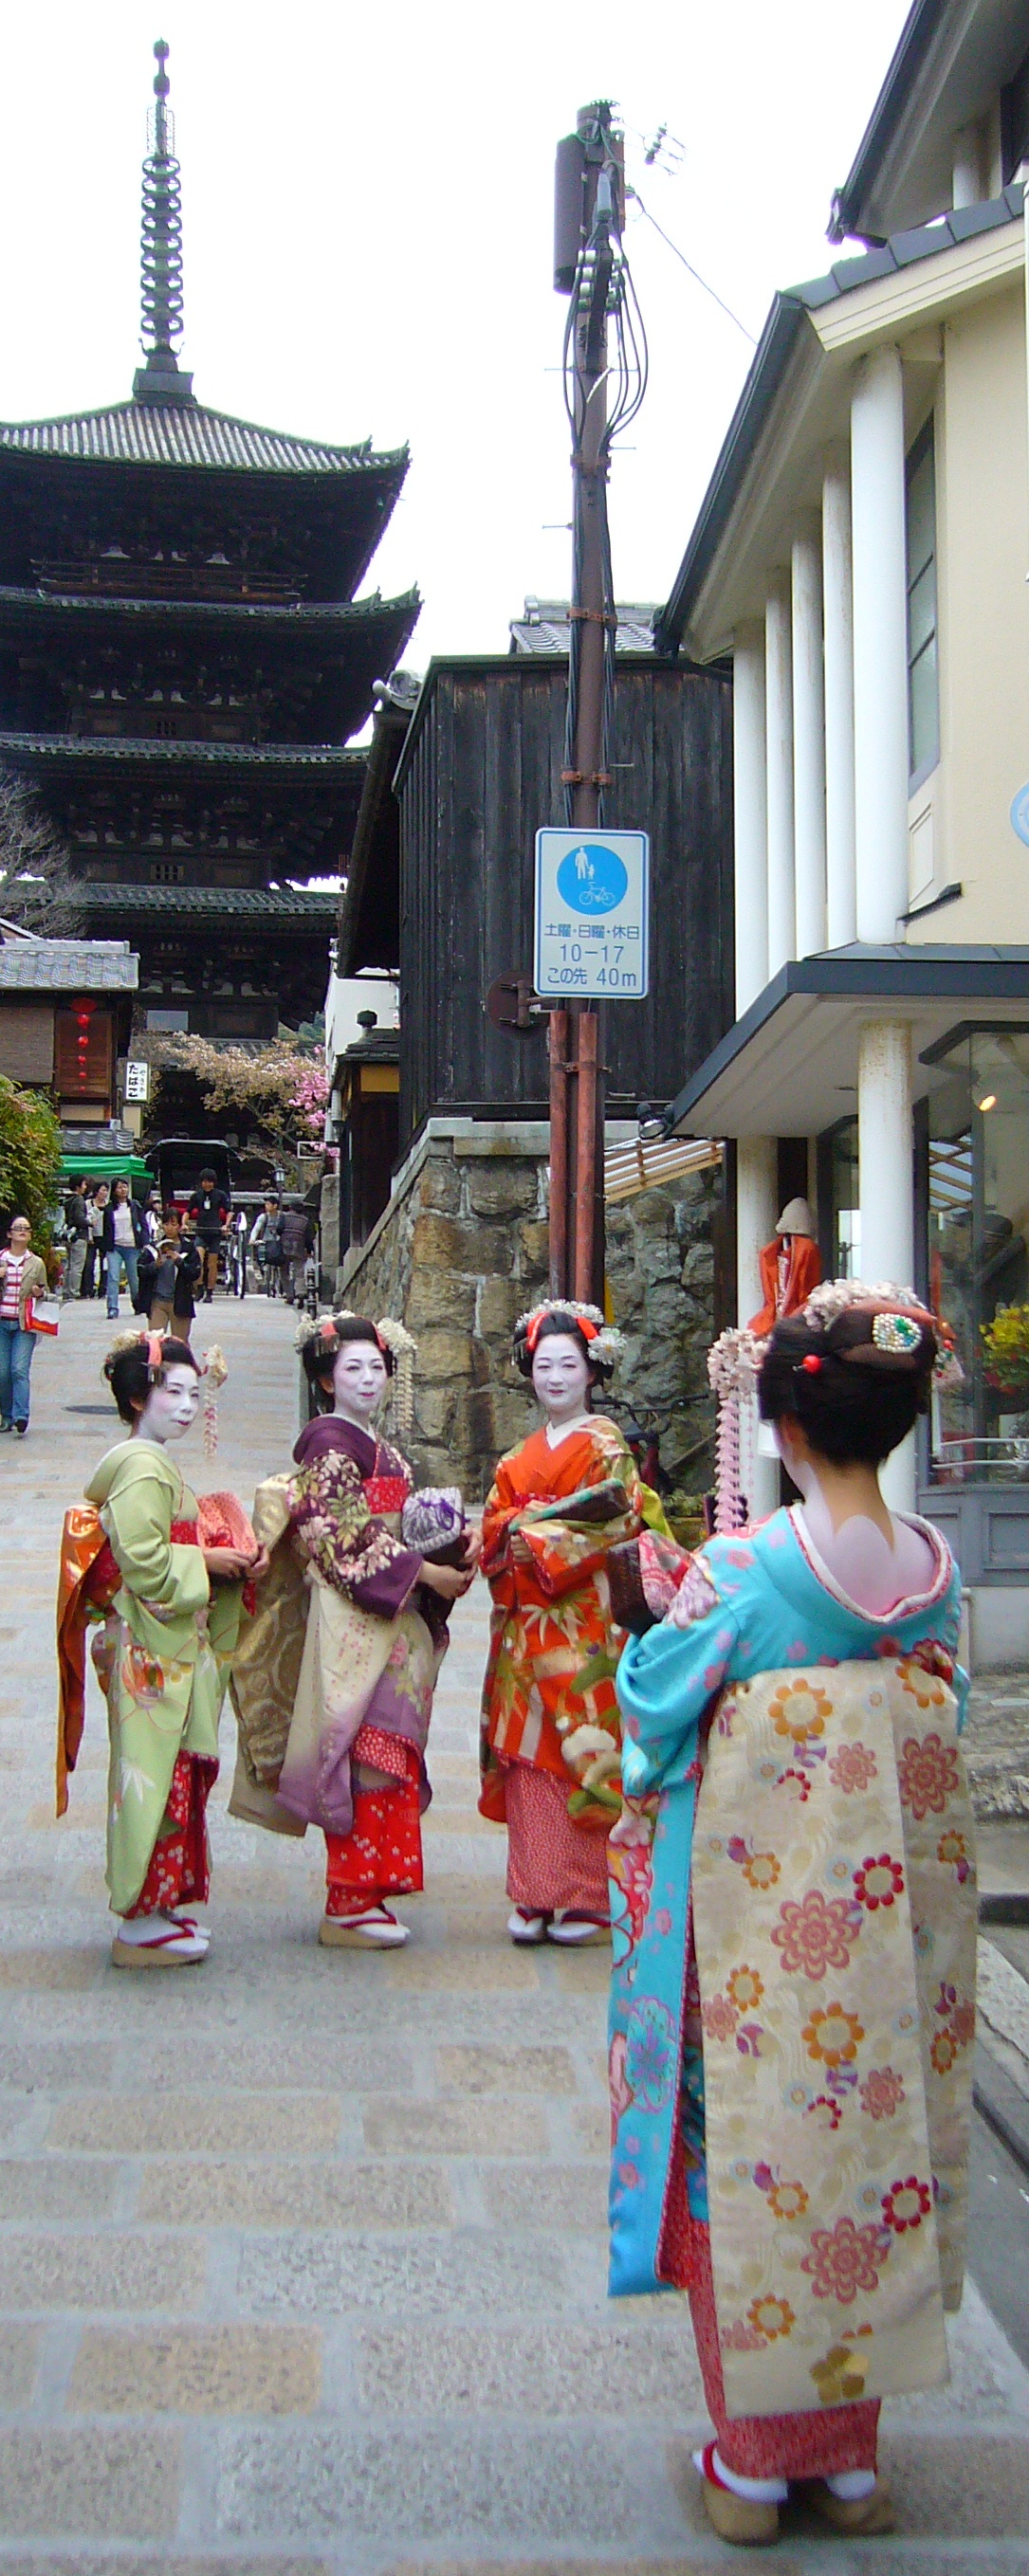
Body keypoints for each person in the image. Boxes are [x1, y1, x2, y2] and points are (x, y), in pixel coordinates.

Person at [608, 1285, 976, 2547]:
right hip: (884, 1934)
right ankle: (850, 2463)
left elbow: (657, 1702)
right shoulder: (932, 1573)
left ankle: (755, 2465)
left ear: (790, 1428)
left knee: (753, 2154)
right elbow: (941, 1707)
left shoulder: (745, 1570)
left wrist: (657, 1618)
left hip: (761, 1934)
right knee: (872, 2150)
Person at [230, 1310, 476, 1948]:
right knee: (365, 1752)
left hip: (394, 1620)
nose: (368, 1379)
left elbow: (403, 1523)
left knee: (388, 1749)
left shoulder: (376, 1446)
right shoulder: (328, 1447)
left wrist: (449, 1547)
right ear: (326, 1380)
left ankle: (371, 1891)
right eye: (352, 1368)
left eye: (376, 1367)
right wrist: (424, 1571)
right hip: (356, 1621)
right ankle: (348, 1899)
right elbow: (342, 1538)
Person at [56, 1331, 263, 1967]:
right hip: (151, 1648)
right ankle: (140, 1919)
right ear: (138, 1396)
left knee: (171, 1772)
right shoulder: (141, 1466)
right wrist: (209, 1558)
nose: (186, 1406)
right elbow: (144, 1562)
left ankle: (162, 1904)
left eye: (194, 1394)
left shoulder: (148, 1461)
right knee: (154, 1775)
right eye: (173, 1392)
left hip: (163, 1642)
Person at [479, 1300, 646, 1946]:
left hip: (584, 1622)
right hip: (525, 1623)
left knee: (582, 1749)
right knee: (529, 1753)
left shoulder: (606, 1446)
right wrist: (510, 1531)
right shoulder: (515, 1457)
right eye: (543, 1365)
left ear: (592, 1372)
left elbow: (621, 1519)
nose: (554, 1377)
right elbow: (493, 1525)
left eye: (568, 1365)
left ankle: (585, 1898)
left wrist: (535, 1534)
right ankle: (532, 1891)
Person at [0, 1214, 49, 1436]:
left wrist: (40, 1293)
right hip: (2, 1322)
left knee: (19, 1369)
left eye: (26, 1228)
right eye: (18, 1228)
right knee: (3, 1373)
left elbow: (46, 1292)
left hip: (24, 1324)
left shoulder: (36, 1263)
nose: (22, 1231)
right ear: (9, 1233)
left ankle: (21, 1415)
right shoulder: (1, 1259)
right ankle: (6, 1415)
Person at [138, 1230, 203, 1334]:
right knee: (155, 1339)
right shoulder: (153, 1247)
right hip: (158, 1300)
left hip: (180, 1301)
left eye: (173, 1224)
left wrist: (180, 1262)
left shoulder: (188, 1247)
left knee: (179, 1340)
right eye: (166, 1224)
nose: (169, 1228)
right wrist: (155, 1265)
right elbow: (141, 1271)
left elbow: (194, 1273)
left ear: (179, 1226)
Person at [102, 1178, 146, 1319]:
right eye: (120, 1187)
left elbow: (143, 1225)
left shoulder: (135, 1205)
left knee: (134, 1279)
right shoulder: (109, 1208)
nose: (123, 1190)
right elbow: (106, 1229)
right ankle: (112, 1307)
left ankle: (138, 1304)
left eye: (125, 1187)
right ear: (114, 1191)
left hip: (132, 1247)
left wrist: (145, 1242)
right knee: (113, 1277)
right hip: (115, 1247)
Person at [187, 1169, 231, 1303]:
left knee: (212, 1263)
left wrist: (226, 1225)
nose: (207, 1184)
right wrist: (183, 1223)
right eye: (205, 1181)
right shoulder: (196, 1196)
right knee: (199, 1260)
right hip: (201, 1231)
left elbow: (229, 1211)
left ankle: (210, 1291)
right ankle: (199, 1287)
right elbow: (188, 1211)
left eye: (210, 1182)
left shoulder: (220, 1195)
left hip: (215, 1232)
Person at [281, 1198, 314, 1305]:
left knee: (284, 1271)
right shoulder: (305, 1220)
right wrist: (309, 1250)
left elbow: (279, 1229)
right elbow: (309, 1237)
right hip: (299, 1247)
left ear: (290, 1207)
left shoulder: (284, 1216)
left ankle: (289, 1295)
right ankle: (300, 1293)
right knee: (299, 1272)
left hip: (284, 1246)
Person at [250, 1196, 284, 1295]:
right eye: (266, 1204)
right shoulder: (263, 1217)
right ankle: (267, 1279)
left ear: (275, 1206)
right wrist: (252, 1239)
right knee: (263, 1261)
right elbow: (256, 1228)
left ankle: (280, 1284)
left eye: (268, 1204)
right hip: (266, 1242)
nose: (266, 1206)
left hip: (278, 1243)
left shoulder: (282, 1216)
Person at [63, 1186, 90, 1302]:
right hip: (79, 1236)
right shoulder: (79, 1200)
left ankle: (66, 1291)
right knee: (77, 1266)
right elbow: (80, 1219)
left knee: (69, 1265)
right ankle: (74, 1292)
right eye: (84, 1184)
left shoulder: (68, 1200)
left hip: (69, 1235)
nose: (85, 1187)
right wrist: (89, 1222)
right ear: (79, 1186)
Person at [82, 1181, 109, 1299]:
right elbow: (87, 1220)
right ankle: (88, 1289)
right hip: (91, 1236)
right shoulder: (88, 1203)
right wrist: (89, 1236)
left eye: (106, 1190)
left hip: (104, 1237)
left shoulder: (108, 1205)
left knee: (105, 1264)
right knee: (89, 1263)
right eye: (103, 1190)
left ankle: (103, 1289)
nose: (105, 1193)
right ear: (97, 1191)